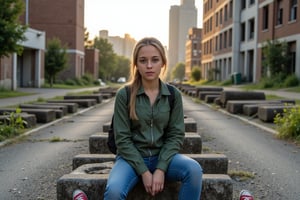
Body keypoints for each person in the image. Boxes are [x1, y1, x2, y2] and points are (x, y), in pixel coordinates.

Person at [104, 37, 203, 200]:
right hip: (130, 160)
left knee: (194, 170)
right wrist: (144, 171)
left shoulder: (173, 95)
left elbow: (176, 135)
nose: (149, 65)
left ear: (163, 62)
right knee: (114, 191)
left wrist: (161, 169)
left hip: (163, 157)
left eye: (155, 60)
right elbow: (122, 139)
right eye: (143, 60)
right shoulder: (125, 94)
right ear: (136, 63)